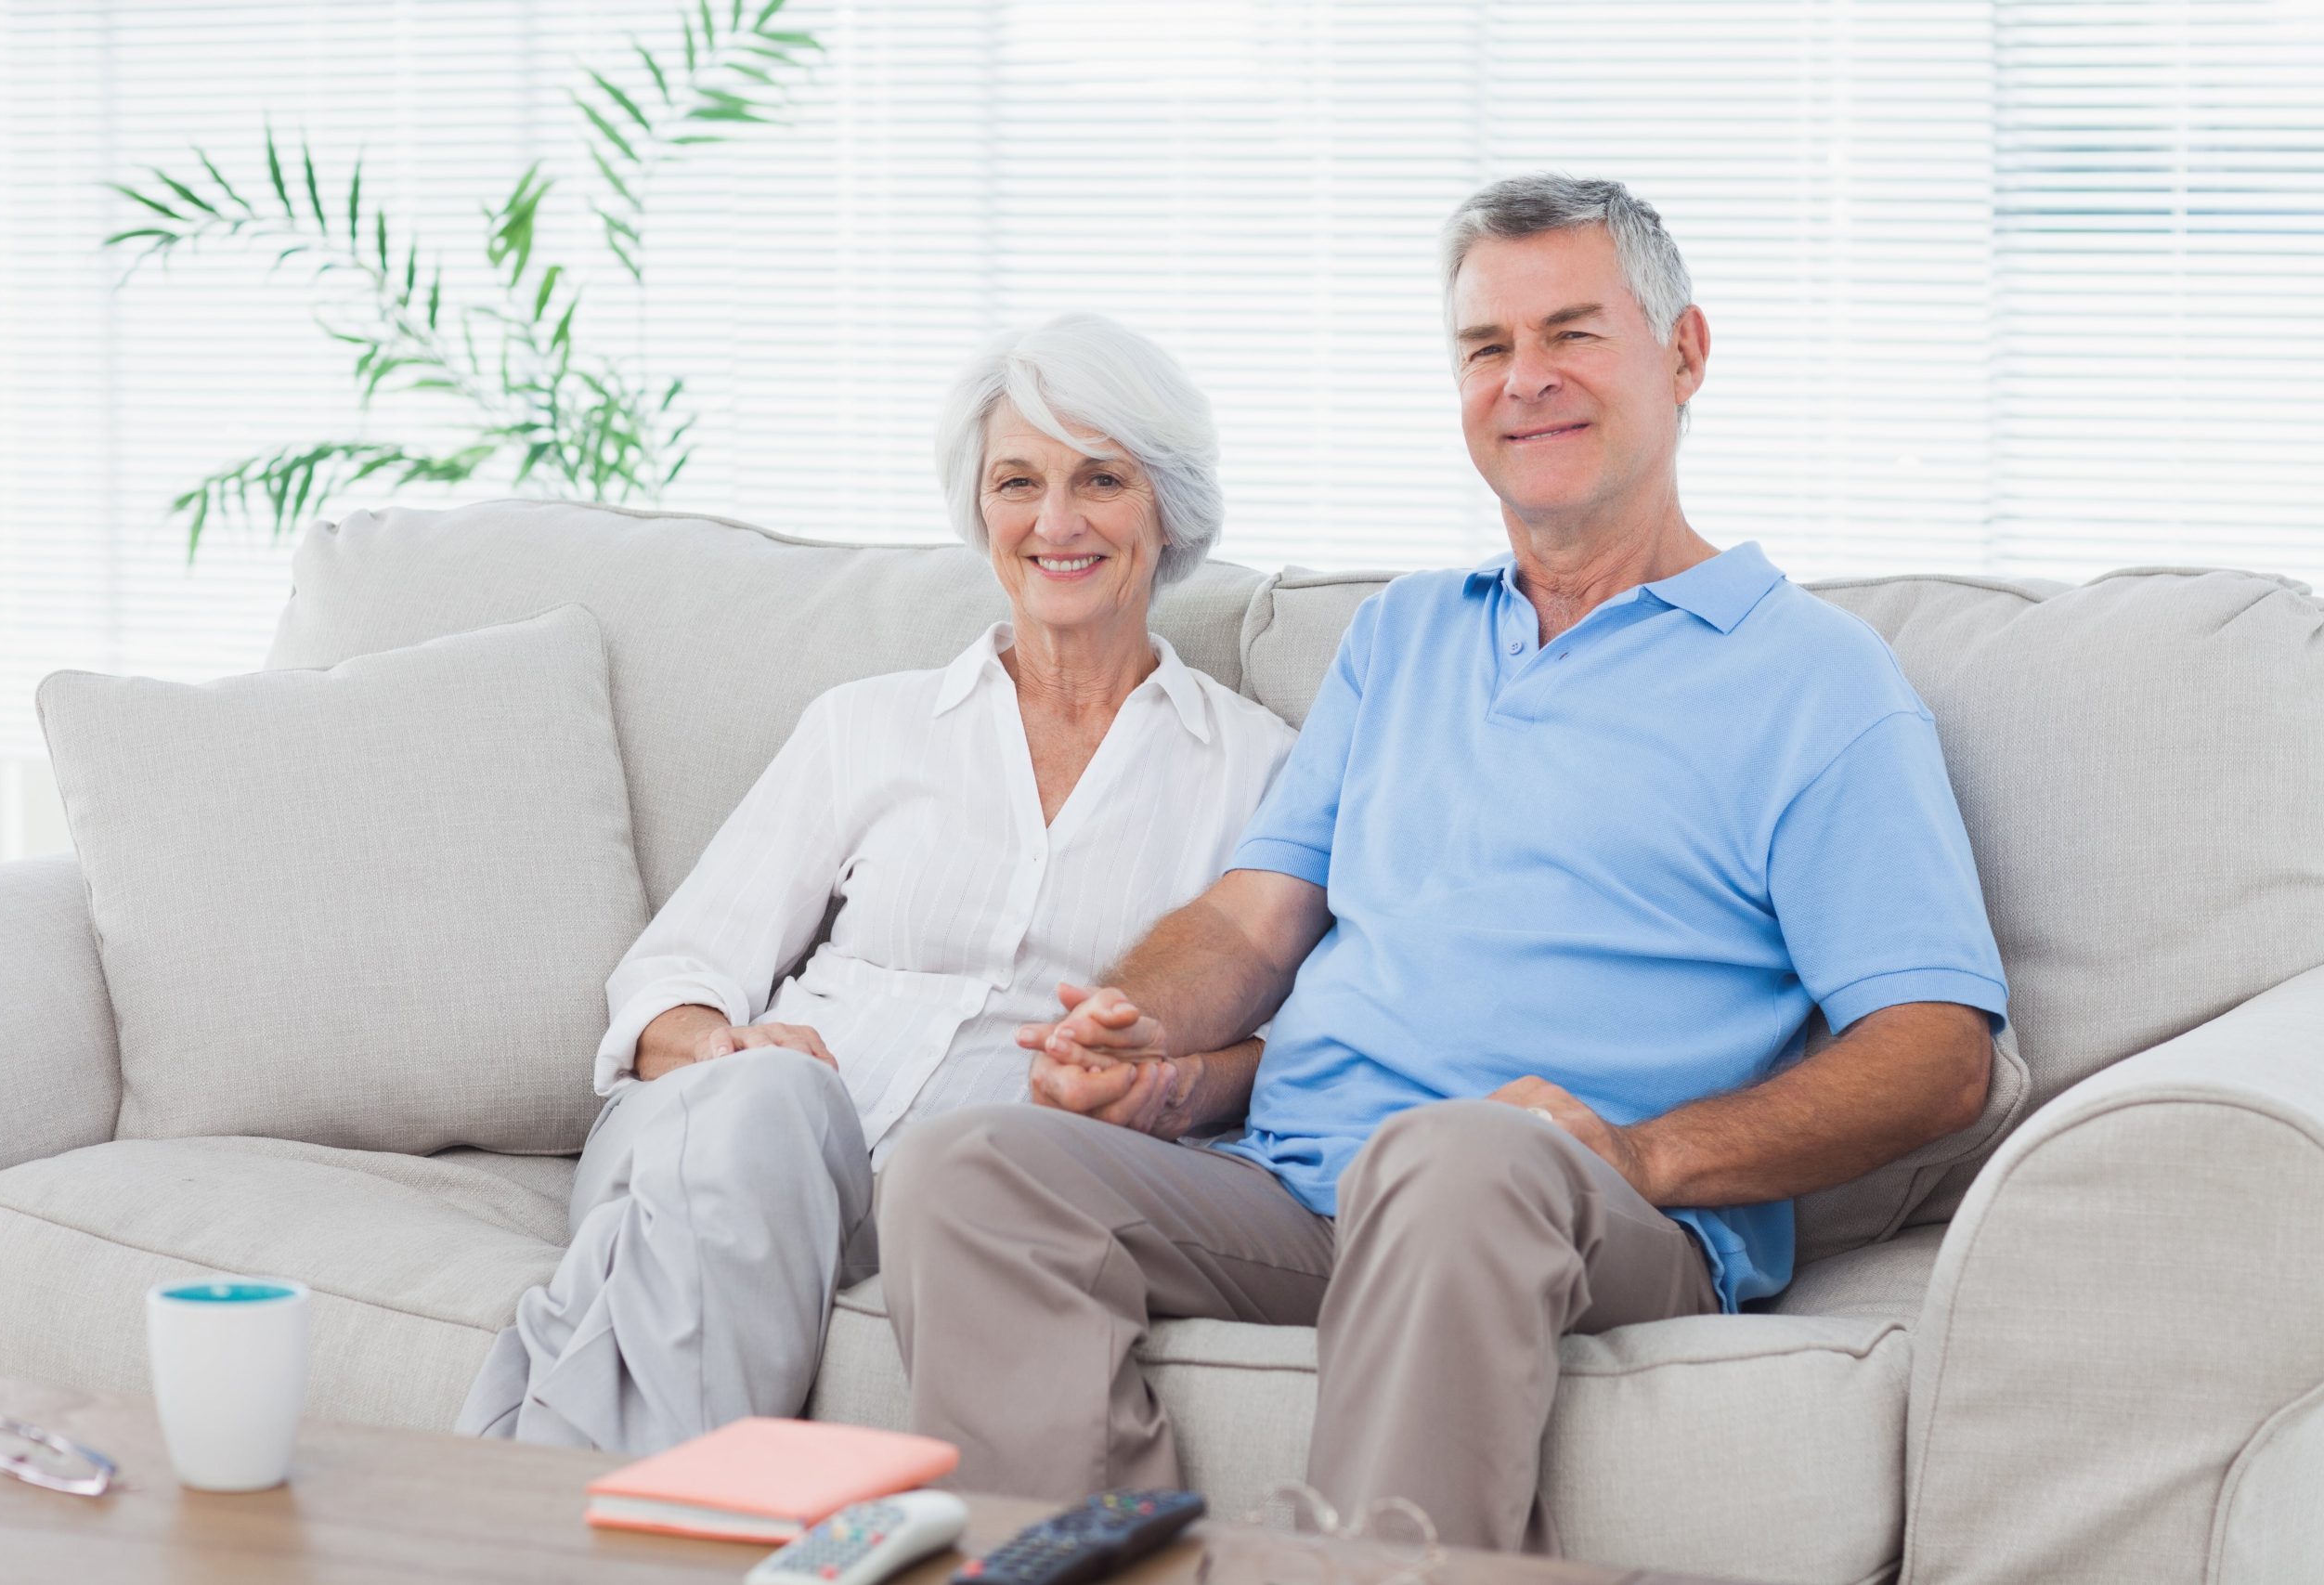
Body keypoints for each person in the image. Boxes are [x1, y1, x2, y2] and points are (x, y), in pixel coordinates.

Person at [873, 175, 2010, 1553]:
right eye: (1487, 348)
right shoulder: (1403, 635)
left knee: (1464, 1150)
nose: (1524, 380)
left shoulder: (1816, 681)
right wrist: (1133, 1024)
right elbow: (1254, 916)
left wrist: (1643, 1149)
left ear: (1685, 353)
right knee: (970, 1161)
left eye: (1571, 334)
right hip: (1296, 1186)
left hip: (1572, 1205)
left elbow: (1939, 1048)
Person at [456, 311, 1296, 1456]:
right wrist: (719, 1051)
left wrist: (1160, 1085)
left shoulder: (1254, 769)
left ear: (1169, 506)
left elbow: (1290, 1049)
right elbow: (677, 970)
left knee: (695, 1237)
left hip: (973, 1195)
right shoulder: (870, 726)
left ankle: (549, 1502)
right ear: (979, 506)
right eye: (1017, 481)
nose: (1055, 522)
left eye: (1100, 479)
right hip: (737, 1140)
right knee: (771, 1101)